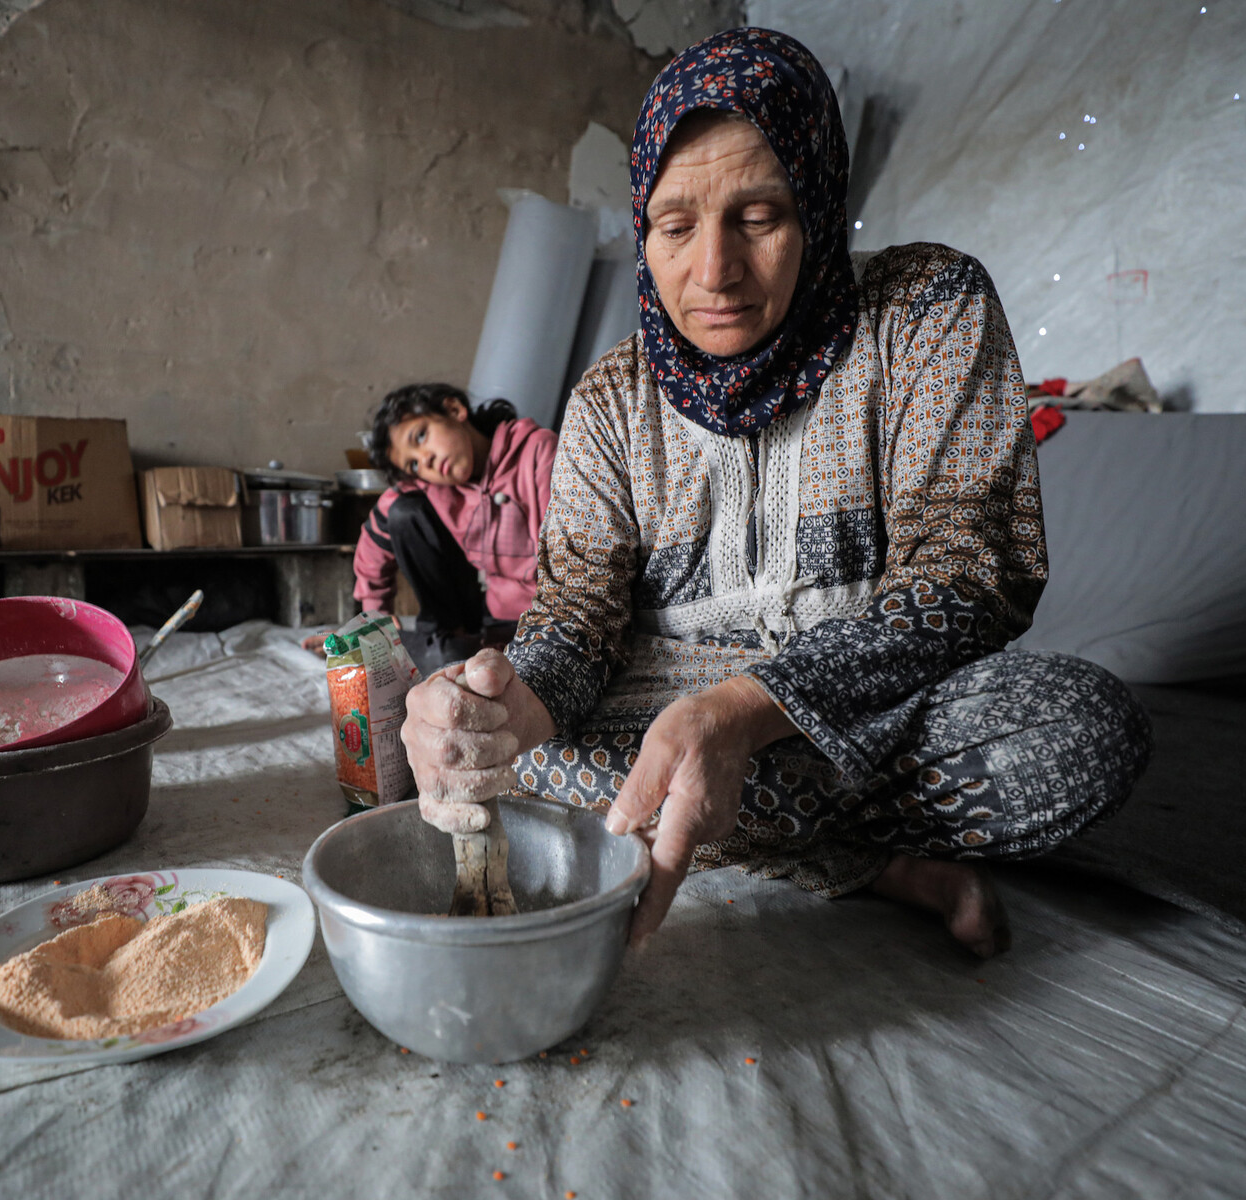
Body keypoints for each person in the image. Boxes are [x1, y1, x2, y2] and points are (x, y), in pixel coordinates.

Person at [400, 28, 1151, 958]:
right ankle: (867, 862)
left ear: (820, 208)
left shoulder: (925, 310)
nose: (714, 271)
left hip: (872, 699)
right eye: (676, 227)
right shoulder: (609, 398)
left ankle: (745, 817)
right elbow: (578, 618)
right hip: (663, 705)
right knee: (512, 758)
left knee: (1080, 734)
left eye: (758, 217)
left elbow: (969, 571)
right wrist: (517, 706)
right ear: (642, 231)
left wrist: (749, 708)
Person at [330, 383, 557, 673]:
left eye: (421, 436)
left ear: (454, 409)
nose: (426, 460)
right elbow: (376, 532)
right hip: (488, 615)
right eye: (413, 465)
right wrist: (375, 612)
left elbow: (567, 560)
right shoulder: (433, 482)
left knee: (451, 661)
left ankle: (442, 652)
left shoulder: (538, 451)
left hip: (545, 619)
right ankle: (436, 642)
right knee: (404, 511)